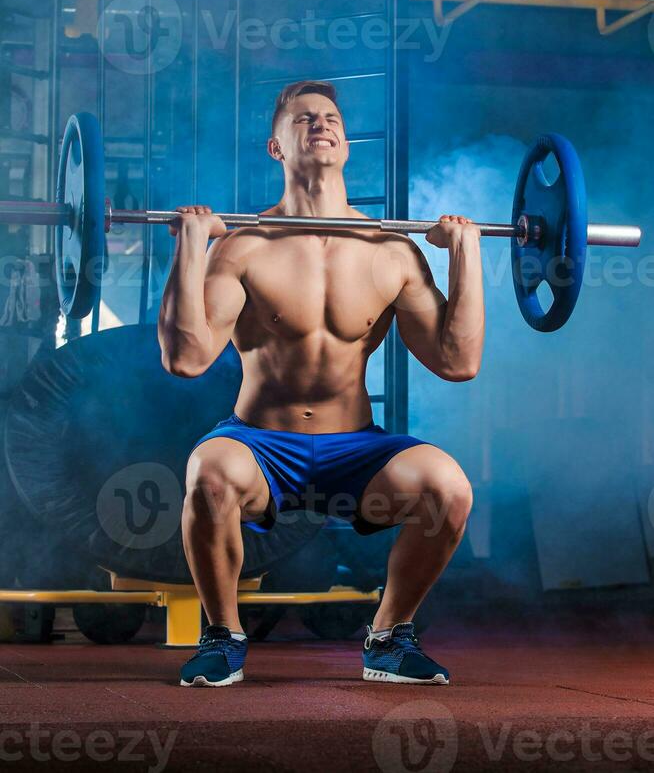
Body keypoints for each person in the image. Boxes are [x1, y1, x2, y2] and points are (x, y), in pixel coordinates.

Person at [158, 80, 484, 687]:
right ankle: (222, 637)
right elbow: (187, 359)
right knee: (209, 472)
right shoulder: (244, 246)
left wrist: (466, 254)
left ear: (346, 140)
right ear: (275, 147)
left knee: (449, 489)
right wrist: (192, 254)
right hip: (261, 446)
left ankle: (388, 638)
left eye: (330, 116)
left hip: (354, 451)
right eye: (302, 118)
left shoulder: (392, 251)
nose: (320, 124)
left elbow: (457, 362)